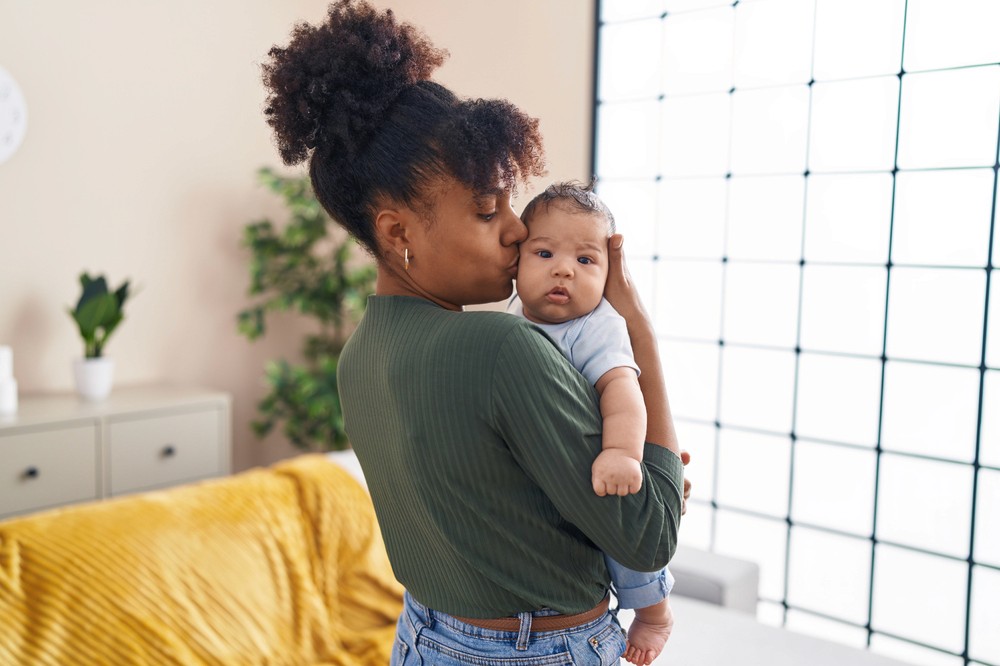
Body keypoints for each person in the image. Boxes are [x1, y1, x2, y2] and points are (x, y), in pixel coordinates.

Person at [261, 2, 688, 664]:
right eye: (488, 211)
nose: (519, 230)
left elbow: (501, 510)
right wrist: (636, 325)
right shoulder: (500, 348)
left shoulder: (361, 357)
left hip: (422, 639)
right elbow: (650, 534)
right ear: (396, 232)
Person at [507, 182, 675, 665]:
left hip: (602, 466)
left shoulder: (596, 326)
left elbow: (624, 392)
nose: (563, 269)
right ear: (516, 261)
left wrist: (622, 452)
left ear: (608, 275)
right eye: (544, 252)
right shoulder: (514, 319)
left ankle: (654, 611)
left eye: (586, 261)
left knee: (626, 540)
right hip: (550, 473)